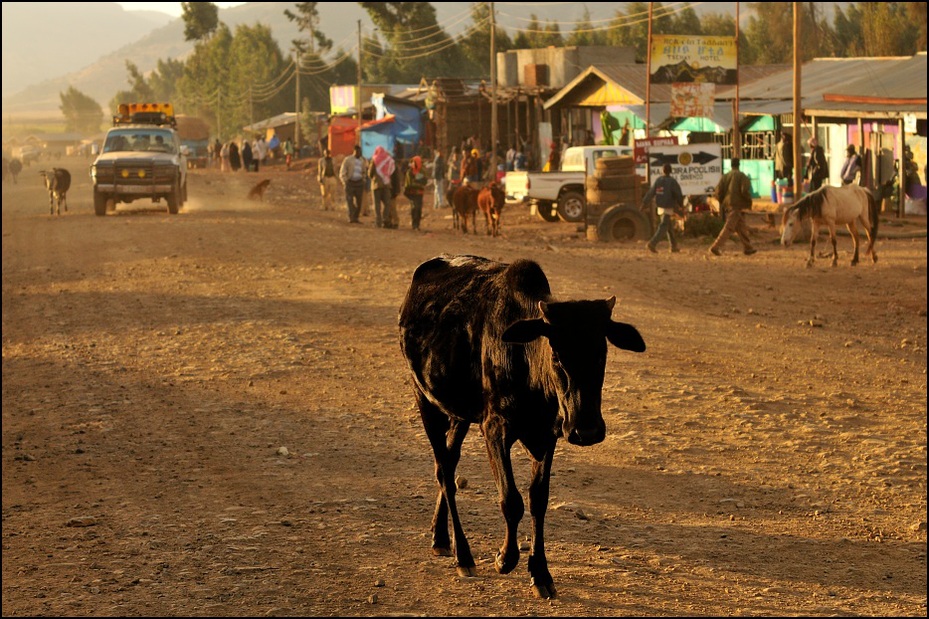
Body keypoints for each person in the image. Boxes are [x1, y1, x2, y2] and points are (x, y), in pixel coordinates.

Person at [709, 157, 757, 257]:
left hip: (728, 205)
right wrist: (748, 201)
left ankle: (748, 248)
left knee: (741, 226)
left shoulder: (725, 176)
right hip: (737, 205)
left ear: (731, 165)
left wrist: (723, 202)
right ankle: (715, 246)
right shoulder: (742, 176)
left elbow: (717, 192)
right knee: (728, 228)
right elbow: (744, 190)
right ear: (739, 165)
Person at [641, 163, 683, 253]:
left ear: (662, 171)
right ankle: (652, 243)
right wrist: (681, 205)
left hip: (660, 206)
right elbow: (678, 194)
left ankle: (673, 246)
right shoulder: (672, 182)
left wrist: (644, 203)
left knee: (668, 226)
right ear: (670, 171)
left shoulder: (658, 180)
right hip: (668, 206)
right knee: (663, 226)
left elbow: (651, 193)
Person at [369, 146, 395, 228]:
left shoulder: (374, 160)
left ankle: (378, 222)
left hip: (376, 185)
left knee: (377, 205)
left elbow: (370, 173)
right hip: (387, 184)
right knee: (387, 204)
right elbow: (391, 171)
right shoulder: (389, 160)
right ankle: (385, 220)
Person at [339, 145, 366, 223]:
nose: (359, 153)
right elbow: (342, 172)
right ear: (354, 151)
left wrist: (363, 180)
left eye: (360, 152)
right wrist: (345, 181)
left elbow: (364, 172)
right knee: (349, 201)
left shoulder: (362, 161)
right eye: (358, 152)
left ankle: (356, 217)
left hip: (359, 183)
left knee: (359, 202)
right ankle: (351, 217)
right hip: (350, 183)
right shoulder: (348, 160)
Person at [404, 155, 428, 230]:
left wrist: (416, 182)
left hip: (419, 193)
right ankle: (414, 224)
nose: (413, 164)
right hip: (412, 193)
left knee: (418, 209)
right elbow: (408, 183)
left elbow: (424, 181)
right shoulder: (409, 172)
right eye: (413, 162)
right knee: (414, 208)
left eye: (415, 162)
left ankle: (417, 224)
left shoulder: (422, 171)